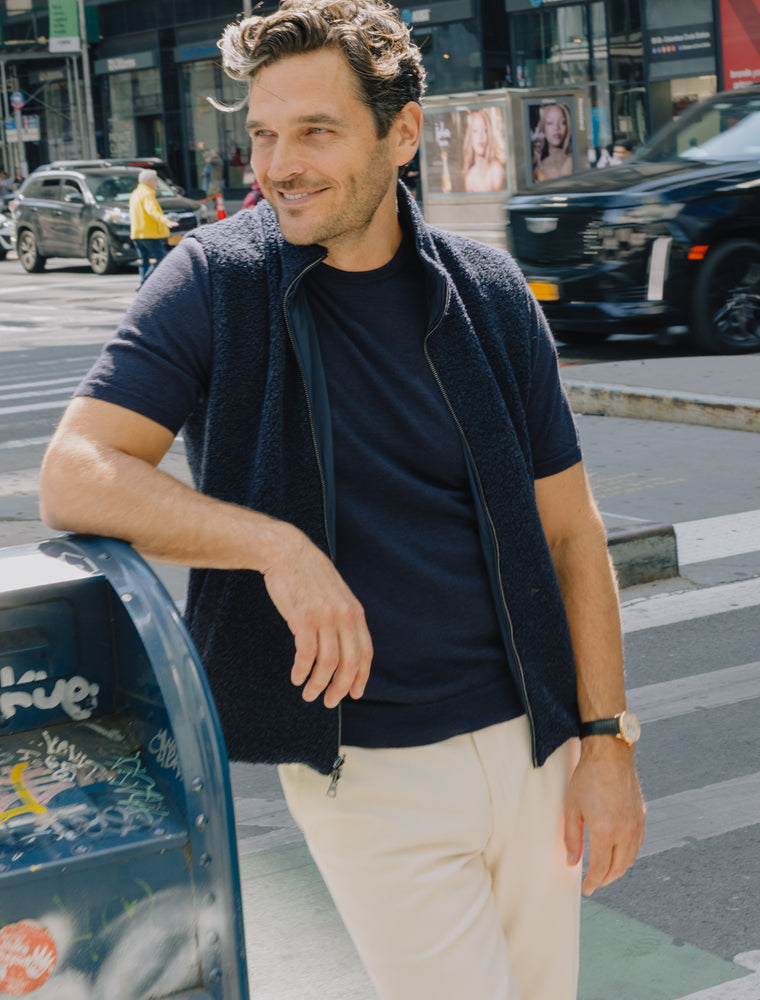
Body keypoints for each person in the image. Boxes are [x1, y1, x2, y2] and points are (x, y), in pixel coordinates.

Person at [40, 3, 645, 998]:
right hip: (368, 772)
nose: (278, 164)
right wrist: (275, 545)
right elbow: (76, 471)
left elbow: (572, 534)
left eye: (315, 131)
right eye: (264, 133)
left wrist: (605, 740)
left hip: (534, 753)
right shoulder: (215, 284)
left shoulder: (487, 294)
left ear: (400, 134)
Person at [127, 168, 175, 286]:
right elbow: (152, 210)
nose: (156, 182)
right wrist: (165, 221)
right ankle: (145, 283)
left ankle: (143, 284)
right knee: (162, 259)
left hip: (137, 232)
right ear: (148, 181)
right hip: (149, 233)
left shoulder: (135, 193)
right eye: (155, 180)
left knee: (144, 261)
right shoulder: (147, 194)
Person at [462, 108, 505, 192]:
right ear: (470, 137)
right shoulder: (470, 177)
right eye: (475, 131)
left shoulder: (496, 168)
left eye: (485, 131)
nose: (480, 136)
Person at [533, 102, 573, 182]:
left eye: (562, 122)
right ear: (543, 128)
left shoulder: (572, 160)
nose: (556, 128)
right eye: (550, 123)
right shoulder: (537, 165)